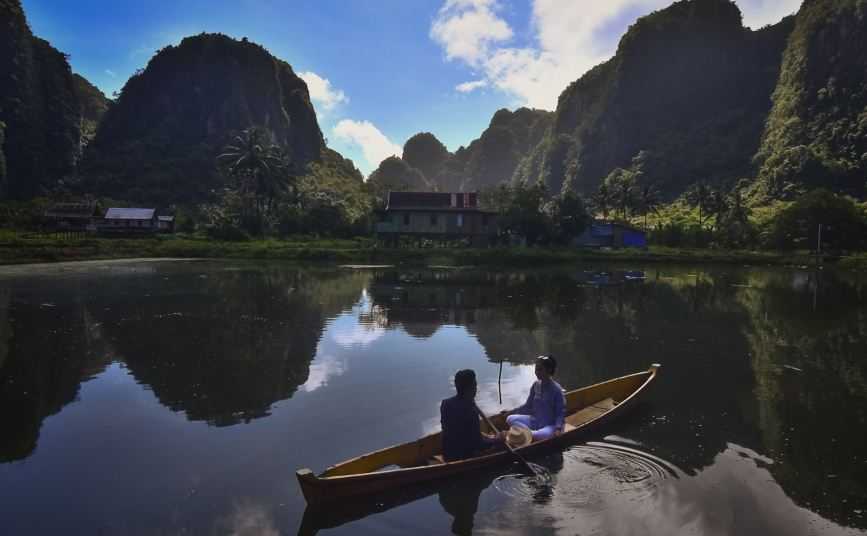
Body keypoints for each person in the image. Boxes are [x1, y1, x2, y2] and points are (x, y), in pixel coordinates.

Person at [440, 369, 504, 462]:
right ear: (470, 388)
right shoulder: (471, 411)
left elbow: (454, 430)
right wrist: (497, 440)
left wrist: (485, 437)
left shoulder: (445, 403)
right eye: (475, 385)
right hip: (463, 456)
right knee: (500, 444)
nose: (476, 388)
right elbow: (479, 445)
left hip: (447, 454)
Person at [505, 355, 566, 442]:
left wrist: (558, 429)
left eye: (540, 369)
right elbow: (527, 406)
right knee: (510, 419)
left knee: (537, 435)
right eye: (536, 369)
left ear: (548, 370)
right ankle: (527, 433)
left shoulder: (557, 390)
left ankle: (527, 434)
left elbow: (560, 413)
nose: (536, 372)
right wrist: (511, 411)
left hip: (550, 425)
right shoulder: (535, 385)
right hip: (535, 420)